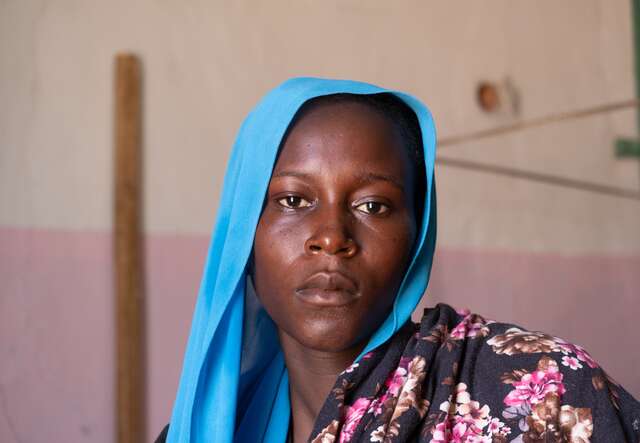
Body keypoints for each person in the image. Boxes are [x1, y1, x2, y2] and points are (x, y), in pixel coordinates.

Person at [158, 78, 640, 443]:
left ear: (417, 234)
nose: (331, 237)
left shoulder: (546, 395)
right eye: (292, 201)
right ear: (242, 234)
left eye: (372, 205)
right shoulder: (205, 430)